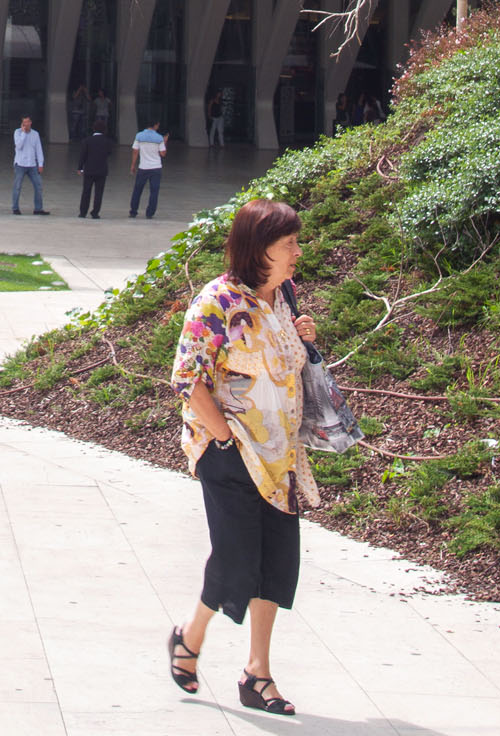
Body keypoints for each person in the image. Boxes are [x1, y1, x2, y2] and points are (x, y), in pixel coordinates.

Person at [166, 198, 319, 717]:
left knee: (276, 563)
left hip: (282, 455)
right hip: (229, 453)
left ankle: (258, 673)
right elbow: (188, 379)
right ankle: (190, 635)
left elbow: (284, 363)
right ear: (259, 250)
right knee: (235, 562)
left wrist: (302, 338)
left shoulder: (284, 297)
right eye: (289, 245)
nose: (298, 252)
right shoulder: (217, 302)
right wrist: (225, 439)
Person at [129, 119, 167, 218]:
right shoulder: (159, 138)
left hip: (143, 167)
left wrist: (133, 165)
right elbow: (163, 154)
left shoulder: (139, 136)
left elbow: (135, 151)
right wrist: (165, 142)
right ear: (155, 125)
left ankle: (133, 211)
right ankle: (150, 213)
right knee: (154, 191)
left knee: (137, 190)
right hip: (156, 168)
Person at [11, 114, 48, 215]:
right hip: (20, 164)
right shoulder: (17, 132)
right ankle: (15, 208)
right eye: (24, 122)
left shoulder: (35, 134)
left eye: (27, 122)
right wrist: (23, 134)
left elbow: (39, 150)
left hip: (32, 164)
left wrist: (40, 164)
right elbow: (18, 146)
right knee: (17, 186)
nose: (26, 124)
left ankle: (38, 209)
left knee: (38, 186)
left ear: (30, 122)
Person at [77, 126, 110, 218]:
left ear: (94, 129)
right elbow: (109, 153)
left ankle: (83, 212)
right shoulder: (107, 141)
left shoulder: (87, 140)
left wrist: (80, 168)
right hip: (102, 170)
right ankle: (95, 212)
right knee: (98, 193)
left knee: (86, 191)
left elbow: (82, 155)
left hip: (89, 170)